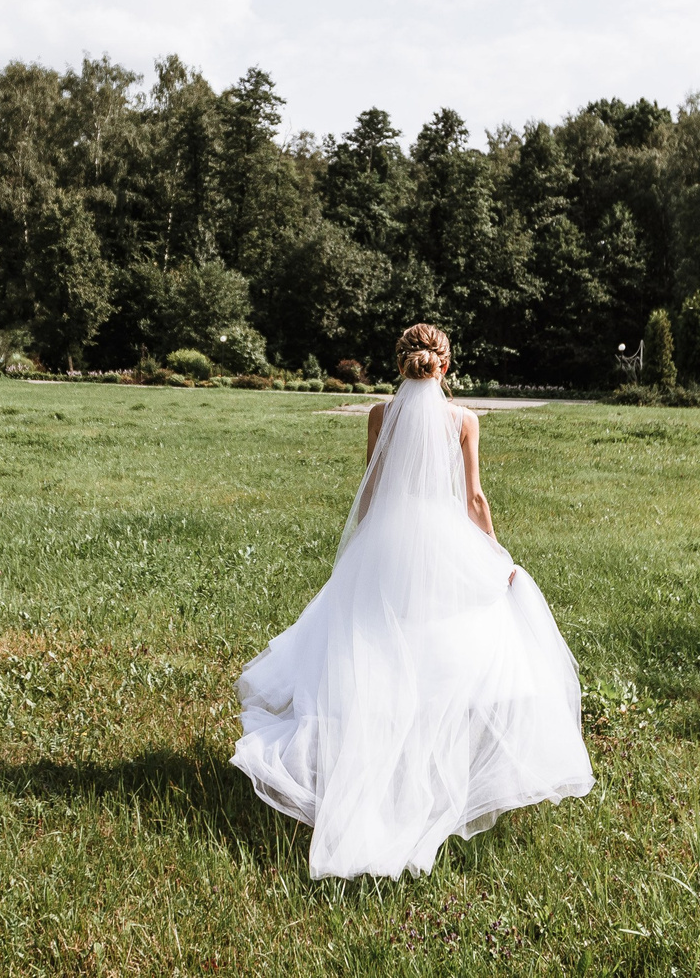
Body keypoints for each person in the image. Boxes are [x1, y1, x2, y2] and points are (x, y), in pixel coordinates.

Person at [231, 323, 595, 879]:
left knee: (375, 649)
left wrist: (365, 552)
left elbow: (372, 487)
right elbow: (473, 497)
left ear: (400, 364)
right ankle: (436, 768)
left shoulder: (381, 415)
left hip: (389, 539)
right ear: (445, 366)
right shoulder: (464, 420)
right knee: (449, 647)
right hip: (446, 542)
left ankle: (369, 765)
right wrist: (495, 554)